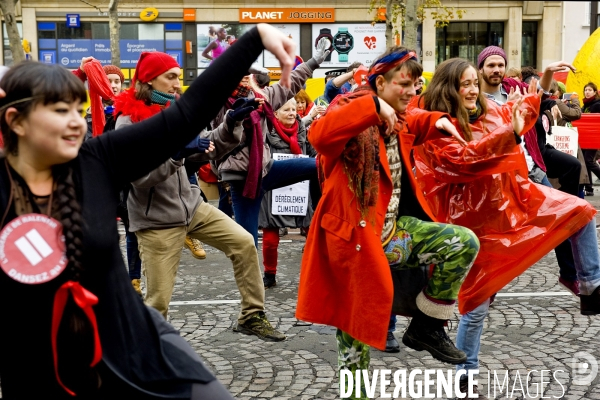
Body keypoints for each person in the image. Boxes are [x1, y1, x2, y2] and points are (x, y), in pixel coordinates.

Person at [0, 23, 296, 399]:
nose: (78, 122)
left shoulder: (97, 159)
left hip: (129, 348)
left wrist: (254, 39)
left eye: (79, 109)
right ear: (16, 121)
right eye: (62, 111)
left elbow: (188, 112)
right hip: (38, 374)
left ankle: (252, 314)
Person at [296, 47, 481, 399]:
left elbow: (415, 122)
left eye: (416, 85)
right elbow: (319, 136)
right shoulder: (351, 111)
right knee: (356, 338)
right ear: (379, 83)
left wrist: (438, 120)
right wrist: (370, 107)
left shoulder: (398, 116)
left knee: (463, 242)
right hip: (352, 246)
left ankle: (426, 327)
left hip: (392, 235)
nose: (412, 93)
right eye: (405, 85)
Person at [413, 58, 600, 396]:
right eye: (464, 84)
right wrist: (509, 133)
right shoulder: (437, 127)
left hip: (515, 202)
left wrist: (543, 82)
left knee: (581, 211)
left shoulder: (491, 113)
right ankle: (464, 374)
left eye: (474, 83)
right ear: (448, 88)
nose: (472, 90)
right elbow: (464, 160)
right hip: (474, 226)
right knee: (475, 306)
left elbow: (523, 110)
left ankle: (590, 287)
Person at [113, 51, 286, 342]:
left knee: (244, 243)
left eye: (178, 77)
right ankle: (147, 359)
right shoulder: (128, 123)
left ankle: (251, 315)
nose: (176, 84)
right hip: (156, 220)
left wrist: (231, 122)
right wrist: (176, 156)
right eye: (170, 77)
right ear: (147, 80)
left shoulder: (176, 111)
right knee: (158, 302)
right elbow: (139, 178)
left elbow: (208, 146)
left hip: (193, 207)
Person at [477, 45, 582, 297]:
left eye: (500, 64)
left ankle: (571, 275)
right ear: (480, 68)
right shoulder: (475, 99)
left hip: (531, 170)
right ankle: (486, 287)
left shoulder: (512, 86)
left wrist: (546, 72)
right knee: (491, 235)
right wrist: (507, 112)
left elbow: (540, 93)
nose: (496, 70)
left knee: (562, 218)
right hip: (497, 179)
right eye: (490, 65)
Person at [211, 38, 332, 247]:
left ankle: (325, 217)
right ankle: (252, 280)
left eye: (247, 73)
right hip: (242, 178)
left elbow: (290, 82)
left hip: (265, 169)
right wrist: (234, 118)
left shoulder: (261, 96)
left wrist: (314, 61)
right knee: (247, 244)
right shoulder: (216, 99)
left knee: (320, 164)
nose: (246, 78)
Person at [258, 98, 317, 289]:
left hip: (299, 188)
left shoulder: (304, 131)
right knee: (270, 237)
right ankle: (269, 274)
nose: (293, 113)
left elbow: (315, 154)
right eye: (287, 110)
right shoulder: (265, 132)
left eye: (294, 109)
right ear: (275, 113)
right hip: (273, 187)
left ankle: (315, 273)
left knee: (312, 232)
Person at [581, 82, 600, 196]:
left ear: (594, 92)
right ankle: (589, 188)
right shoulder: (585, 105)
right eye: (586, 90)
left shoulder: (597, 104)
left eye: (589, 90)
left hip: (593, 136)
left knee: (588, 161)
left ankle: (589, 187)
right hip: (584, 136)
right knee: (585, 161)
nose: (587, 92)